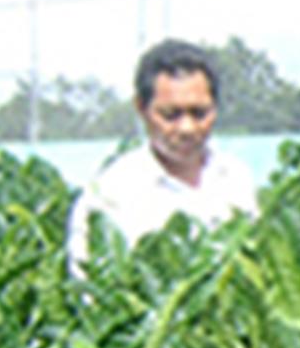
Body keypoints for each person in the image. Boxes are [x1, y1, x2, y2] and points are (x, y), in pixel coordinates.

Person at [66, 38, 257, 273]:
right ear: (141, 108)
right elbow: (91, 293)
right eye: (170, 115)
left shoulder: (236, 178)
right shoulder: (109, 196)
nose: (187, 128)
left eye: (199, 113)